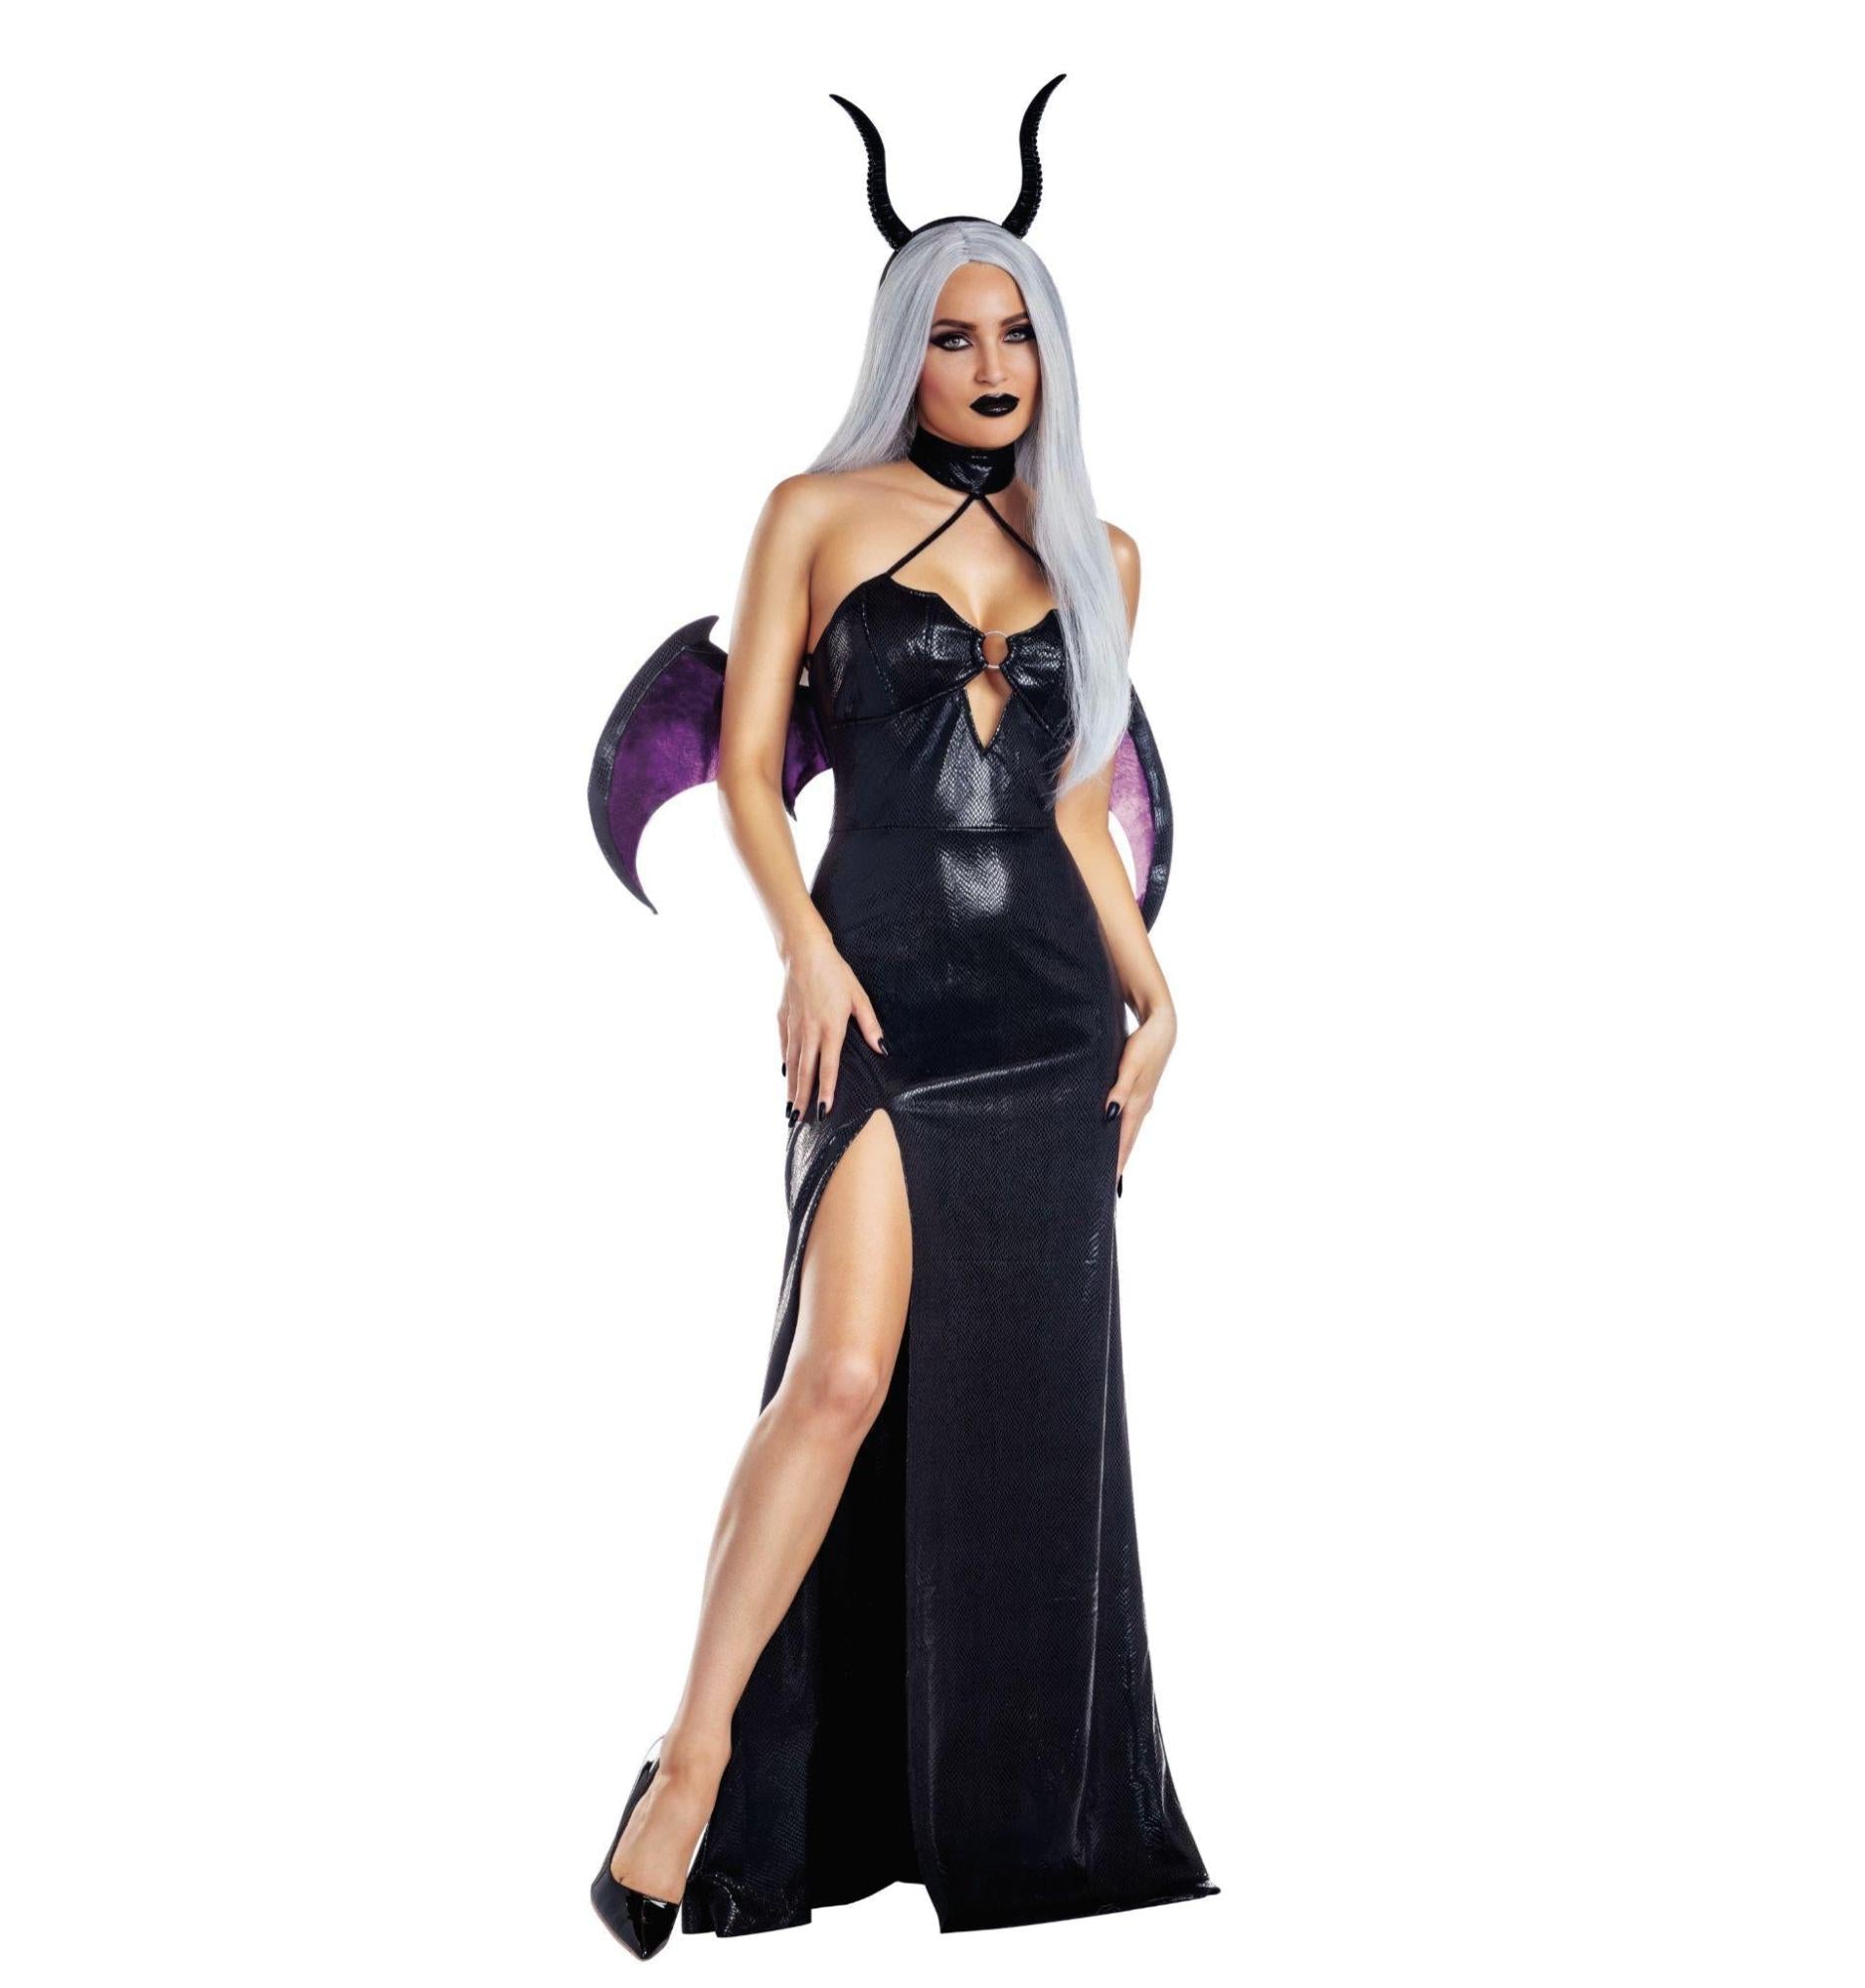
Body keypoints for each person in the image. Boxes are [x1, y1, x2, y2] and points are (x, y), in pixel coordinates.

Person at [587, 75, 1216, 1956]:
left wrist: (1159, 999)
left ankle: (1001, 1807)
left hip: (1050, 1015)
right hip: (877, 986)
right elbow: (752, 769)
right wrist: (801, 949)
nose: (990, 362)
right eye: (953, 334)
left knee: (1026, 1411)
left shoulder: (1101, 557)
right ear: (902, 353)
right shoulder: (811, 512)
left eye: (1016, 331)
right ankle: (693, 1761)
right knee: (841, 1379)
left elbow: (1077, 811)